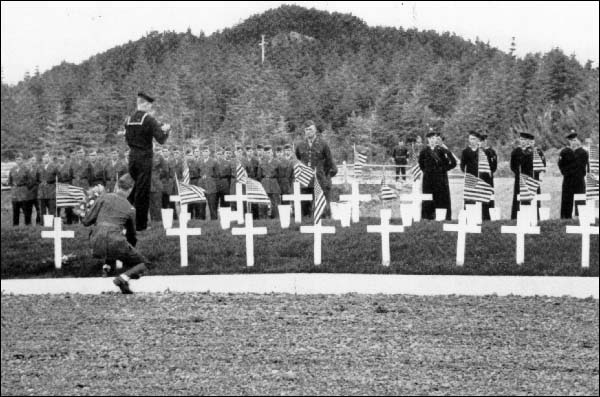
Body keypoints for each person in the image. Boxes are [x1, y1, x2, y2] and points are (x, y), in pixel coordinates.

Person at [81, 173, 151, 294]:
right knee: (144, 263)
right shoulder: (130, 208)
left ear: (117, 186)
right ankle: (123, 278)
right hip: (116, 242)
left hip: (95, 242)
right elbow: (132, 236)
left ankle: (111, 271)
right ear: (131, 189)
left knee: (113, 245)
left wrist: (82, 209)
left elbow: (86, 221)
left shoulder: (103, 198)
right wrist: (131, 250)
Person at [123, 92, 171, 231]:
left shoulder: (128, 120)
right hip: (144, 158)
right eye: (150, 105)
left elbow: (127, 139)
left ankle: (120, 214)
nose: (150, 108)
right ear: (145, 104)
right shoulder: (149, 119)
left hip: (132, 158)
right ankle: (141, 225)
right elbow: (161, 139)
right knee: (142, 193)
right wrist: (166, 130)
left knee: (135, 190)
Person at [294, 120, 337, 218]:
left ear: (315, 130)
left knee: (321, 208)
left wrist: (322, 172)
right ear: (304, 131)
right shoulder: (300, 145)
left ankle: (323, 226)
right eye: (306, 130)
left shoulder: (323, 144)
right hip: (305, 181)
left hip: (319, 179)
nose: (308, 131)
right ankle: (305, 226)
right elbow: (298, 159)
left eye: (311, 129)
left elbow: (329, 161)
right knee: (305, 206)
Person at [419, 129, 457, 220]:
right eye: (431, 138)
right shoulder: (424, 151)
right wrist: (428, 172)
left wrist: (443, 169)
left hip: (440, 180)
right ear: (428, 139)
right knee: (428, 199)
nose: (433, 140)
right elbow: (421, 165)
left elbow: (453, 163)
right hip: (428, 180)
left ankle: (442, 217)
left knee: (441, 200)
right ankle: (428, 218)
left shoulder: (442, 150)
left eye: (434, 138)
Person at [510, 131, 546, 219]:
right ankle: (517, 218)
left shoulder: (535, 151)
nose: (522, 141)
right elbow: (512, 166)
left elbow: (542, 166)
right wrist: (518, 174)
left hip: (532, 179)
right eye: (521, 139)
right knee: (519, 199)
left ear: (528, 141)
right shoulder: (516, 151)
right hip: (520, 179)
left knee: (533, 199)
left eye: (524, 140)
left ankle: (534, 217)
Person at [558, 129, 588, 219]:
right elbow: (560, 164)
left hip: (579, 179)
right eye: (571, 141)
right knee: (566, 200)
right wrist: (566, 172)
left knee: (580, 200)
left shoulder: (583, 152)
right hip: (568, 179)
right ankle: (565, 218)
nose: (573, 142)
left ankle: (580, 217)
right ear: (568, 141)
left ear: (577, 140)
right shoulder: (565, 152)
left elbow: (581, 166)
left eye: (575, 140)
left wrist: (570, 169)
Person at [9, 152, 34, 226]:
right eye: (17, 159)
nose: (18, 161)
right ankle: (15, 227)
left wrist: (26, 188)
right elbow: (10, 181)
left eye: (19, 159)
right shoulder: (12, 169)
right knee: (15, 211)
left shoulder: (26, 169)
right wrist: (13, 187)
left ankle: (28, 225)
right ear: (15, 161)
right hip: (15, 194)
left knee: (26, 211)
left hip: (24, 193)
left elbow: (31, 181)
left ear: (22, 160)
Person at [258, 145, 281, 218]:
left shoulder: (277, 162)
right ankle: (263, 217)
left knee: (275, 201)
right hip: (264, 183)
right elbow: (259, 175)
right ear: (264, 153)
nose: (269, 154)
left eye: (270, 152)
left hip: (274, 182)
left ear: (272, 152)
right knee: (263, 201)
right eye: (267, 153)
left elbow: (280, 174)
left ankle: (276, 217)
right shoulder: (261, 162)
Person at [479, 131, 498, 220]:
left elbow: (494, 166)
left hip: (488, 177)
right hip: (479, 177)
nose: (482, 142)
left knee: (489, 197)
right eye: (481, 140)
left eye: (484, 140)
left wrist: (489, 172)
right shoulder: (477, 151)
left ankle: (489, 216)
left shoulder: (491, 152)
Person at [37, 151, 59, 218]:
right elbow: (37, 179)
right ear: (42, 158)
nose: (45, 158)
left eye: (47, 157)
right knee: (42, 210)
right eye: (44, 157)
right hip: (42, 192)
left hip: (51, 191)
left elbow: (59, 177)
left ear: (49, 158)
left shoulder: (54, 167)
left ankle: (52, 224)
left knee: (52, 210)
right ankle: (42, 224)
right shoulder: (39, 167)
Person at [199, 146, 218, 220]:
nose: (205, 153)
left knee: (212, 206)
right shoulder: (199, 161)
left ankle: (214, 223)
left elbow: (217, 174)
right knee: (201, 207)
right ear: (202, 153)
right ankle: (202, 223)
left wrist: (210, 177)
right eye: (203, 151)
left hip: (211, 187)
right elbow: (198, 173)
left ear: (209, 152)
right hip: (201, 186)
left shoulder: (214, 161)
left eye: (206, 151)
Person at [149, 145, 168, 223]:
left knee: (158, 205)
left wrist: (159, 176)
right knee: (151, 206)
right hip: (147, 185)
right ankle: (153, 223)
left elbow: (166, 169)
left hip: (157, 185)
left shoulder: (159, 156)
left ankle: (159, 223)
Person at [27, 153, 42, 225]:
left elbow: (40, 180)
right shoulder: (27, 169)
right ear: (29, 161)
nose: (32, 161)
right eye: (31, 160)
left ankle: (38, 223)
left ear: (35, 161)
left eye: (33, 160)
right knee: (28, 209)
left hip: (36, 192)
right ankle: (28, 224)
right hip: (28, 193)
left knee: (38, 209)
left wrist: (34, 185)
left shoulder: (39, 169)